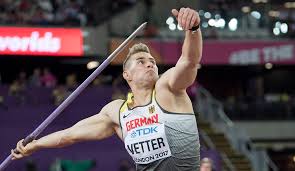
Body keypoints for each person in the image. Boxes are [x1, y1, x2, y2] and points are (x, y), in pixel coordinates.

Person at [12, 7, 202, 171]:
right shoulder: (117, 112)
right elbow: (69, 135)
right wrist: (36, 145)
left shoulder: (167, 88)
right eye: (141, 61)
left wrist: (193, 30)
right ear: (127, 75)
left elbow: (189, 62)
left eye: (152, 61)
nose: (150, 64)